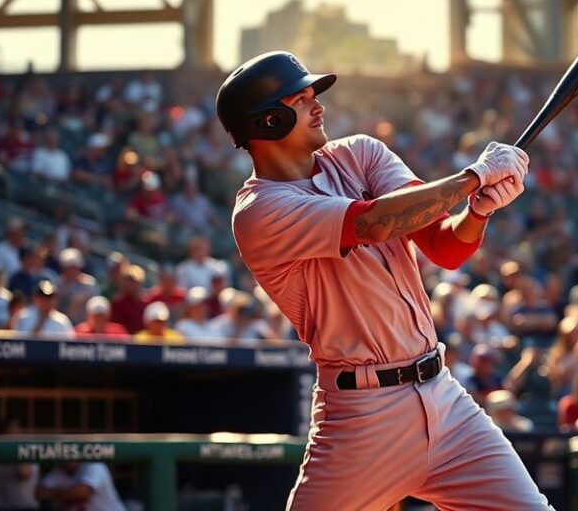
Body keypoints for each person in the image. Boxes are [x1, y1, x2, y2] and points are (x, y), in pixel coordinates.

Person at [217, 51, 551, 509]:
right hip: (362, 416)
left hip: (444, 398)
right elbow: (375, 223)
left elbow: (443, 245)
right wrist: (474, 177)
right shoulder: (259, 212)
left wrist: (478, 211)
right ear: (268, 122)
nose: (319, 107)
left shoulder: (360, 153)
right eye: (301, 99)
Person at [0, 419, 40, 511]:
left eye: (18, 429)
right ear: (3, 434)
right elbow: (24, 473)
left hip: (25, 507)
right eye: (13, 430)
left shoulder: (23, 448)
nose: (18, 433)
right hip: (7, 507)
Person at [35, 462, 124, 511]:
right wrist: (69, 493)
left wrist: (53, 493)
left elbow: (83, 492)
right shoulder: (59, 471)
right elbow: (39, 493)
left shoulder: (94, 465)